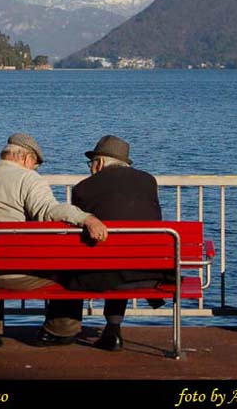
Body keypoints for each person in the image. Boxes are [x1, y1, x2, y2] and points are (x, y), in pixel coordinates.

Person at [0, 132, 108, 351]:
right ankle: (58, 331)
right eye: (35, 163)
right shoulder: (27, 178)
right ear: (24, 158)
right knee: (71, 276)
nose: (35, 168)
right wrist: (85, 218)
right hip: (12, 275)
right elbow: (48, 210)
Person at [35, 134, 168, 352]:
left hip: (102, 273)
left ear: (100, 162)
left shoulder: (83, 188)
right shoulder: (148, 181)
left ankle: (57, 331)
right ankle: (113, 330)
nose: (90, 168)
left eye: (91, 163)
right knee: (122, 259)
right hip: (149, 271)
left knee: (73, 267)